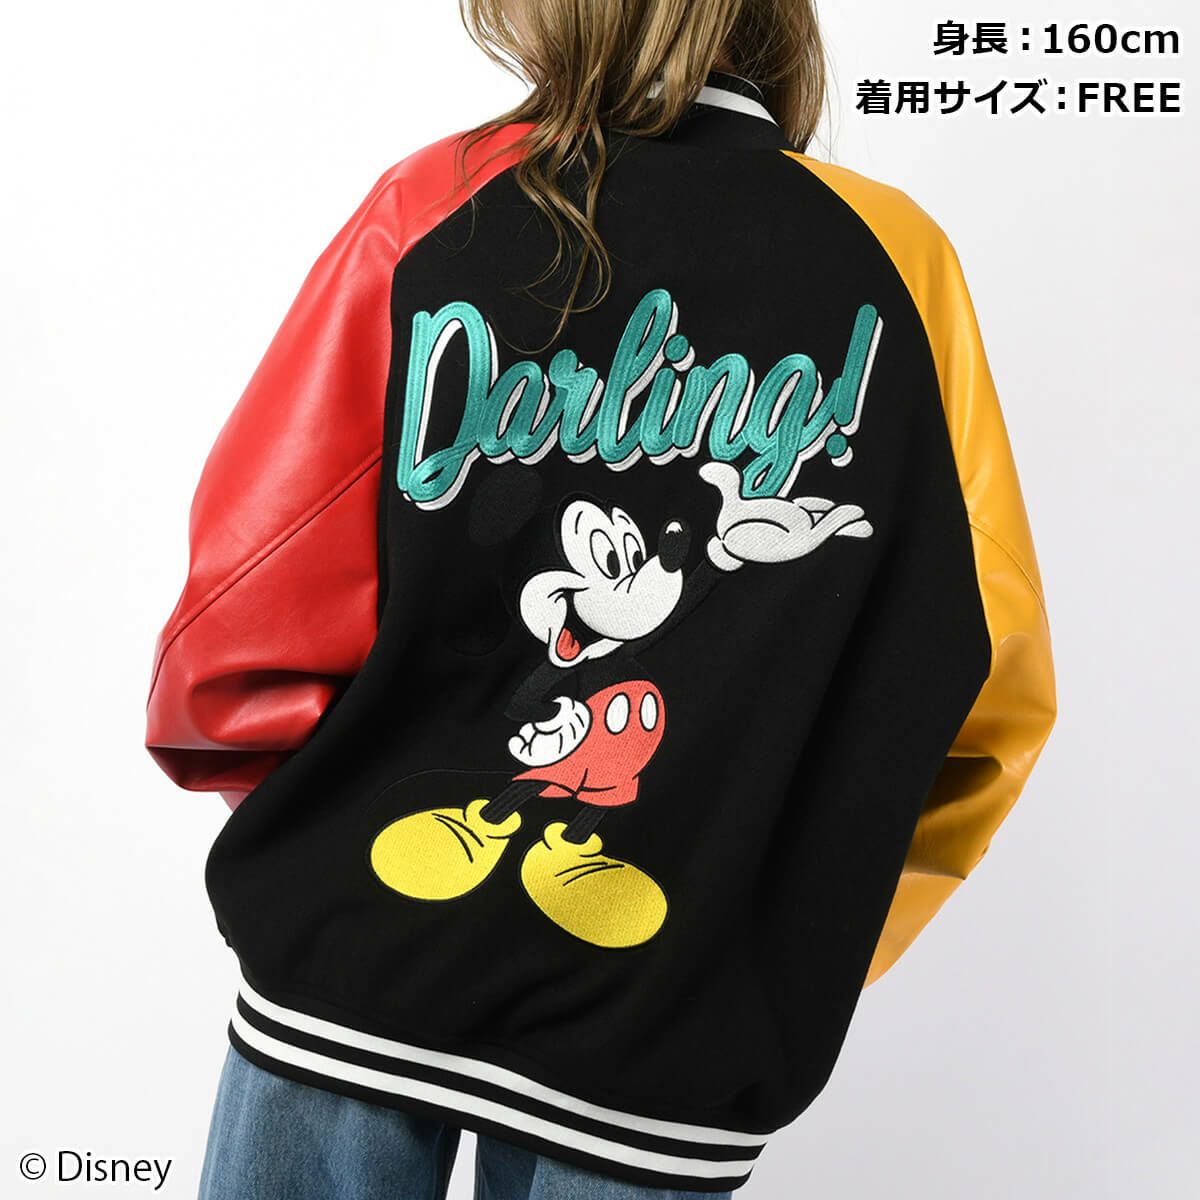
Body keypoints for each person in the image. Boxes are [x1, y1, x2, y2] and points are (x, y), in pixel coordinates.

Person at [145, 1, 1057, 1196]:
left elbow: (240, 620)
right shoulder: (898, 261)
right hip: (667, 1030)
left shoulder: (440, 203)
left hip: (350, 975)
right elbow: (982, 695)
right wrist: (768, 926)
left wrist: (326, 855)